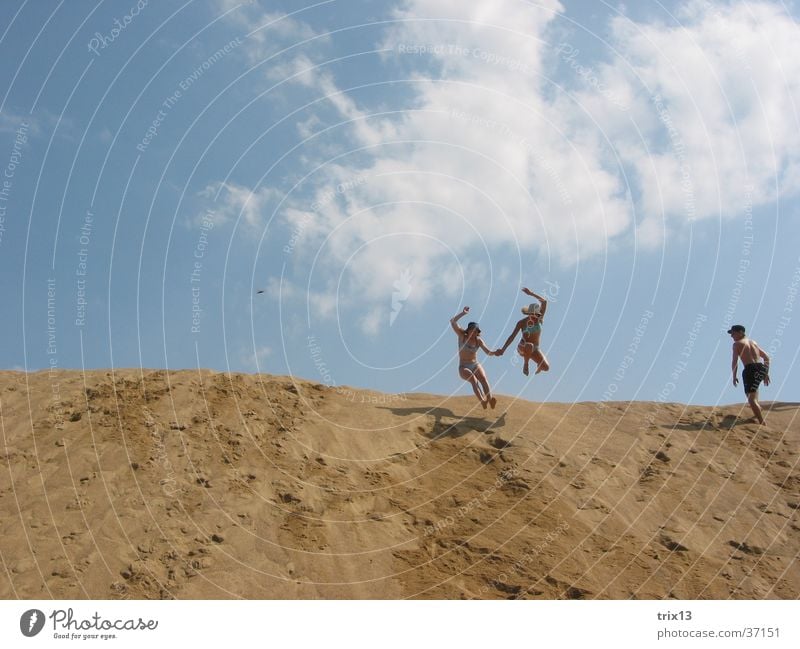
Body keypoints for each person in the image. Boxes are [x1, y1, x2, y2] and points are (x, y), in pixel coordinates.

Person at [450, 306, 498, 409]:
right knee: (474, 380)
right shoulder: (462, 336)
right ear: (468, 330)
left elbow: (488, 352)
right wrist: (463, 313)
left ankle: (490, 399)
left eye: (476, 331)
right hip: (463, 366)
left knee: (483, 378)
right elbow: (452, 321)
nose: (473, 333)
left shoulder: (478, 341)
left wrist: (495, 352)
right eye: (472, 330)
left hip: (475, 364)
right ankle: (483, 401)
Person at [496, 287, 550, 375]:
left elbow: (544, 302)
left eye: (537, 315)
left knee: (546, 367)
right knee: (529, 345)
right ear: (529, 314)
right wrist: (503, 349)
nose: (535, 317)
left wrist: (531, 293)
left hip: (535, 349)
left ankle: (538, 365)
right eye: (533, 315)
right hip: (523, 347)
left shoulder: (540, 319)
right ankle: (526, 364)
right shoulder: (522, 323)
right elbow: (512, 337)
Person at [728, 324, 770, 425]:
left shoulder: (737, 344)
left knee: (751, 400)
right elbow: (767, 358)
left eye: (733, 333)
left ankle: (761, 422)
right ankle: (758, 408)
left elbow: (734, 361)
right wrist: (766, 372)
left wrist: (734, 376)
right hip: (760, 368)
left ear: (740, 332)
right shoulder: (753, 342)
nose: (731, 336)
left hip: (750, 369)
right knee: (753, 394)